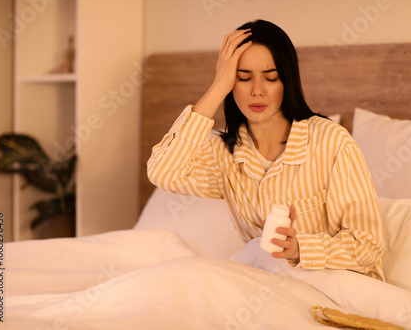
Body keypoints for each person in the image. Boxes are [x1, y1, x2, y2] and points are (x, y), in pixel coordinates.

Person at [147, 20, 385, 280]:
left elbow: (368, 247)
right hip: (263, 285)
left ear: (287, 81)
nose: (257, 91)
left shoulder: (332, 142)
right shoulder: (223, 153)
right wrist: (218, 86)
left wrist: (299, 248)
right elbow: (163, 172)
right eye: (243, 78)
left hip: (336, 288)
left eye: (270, 78)